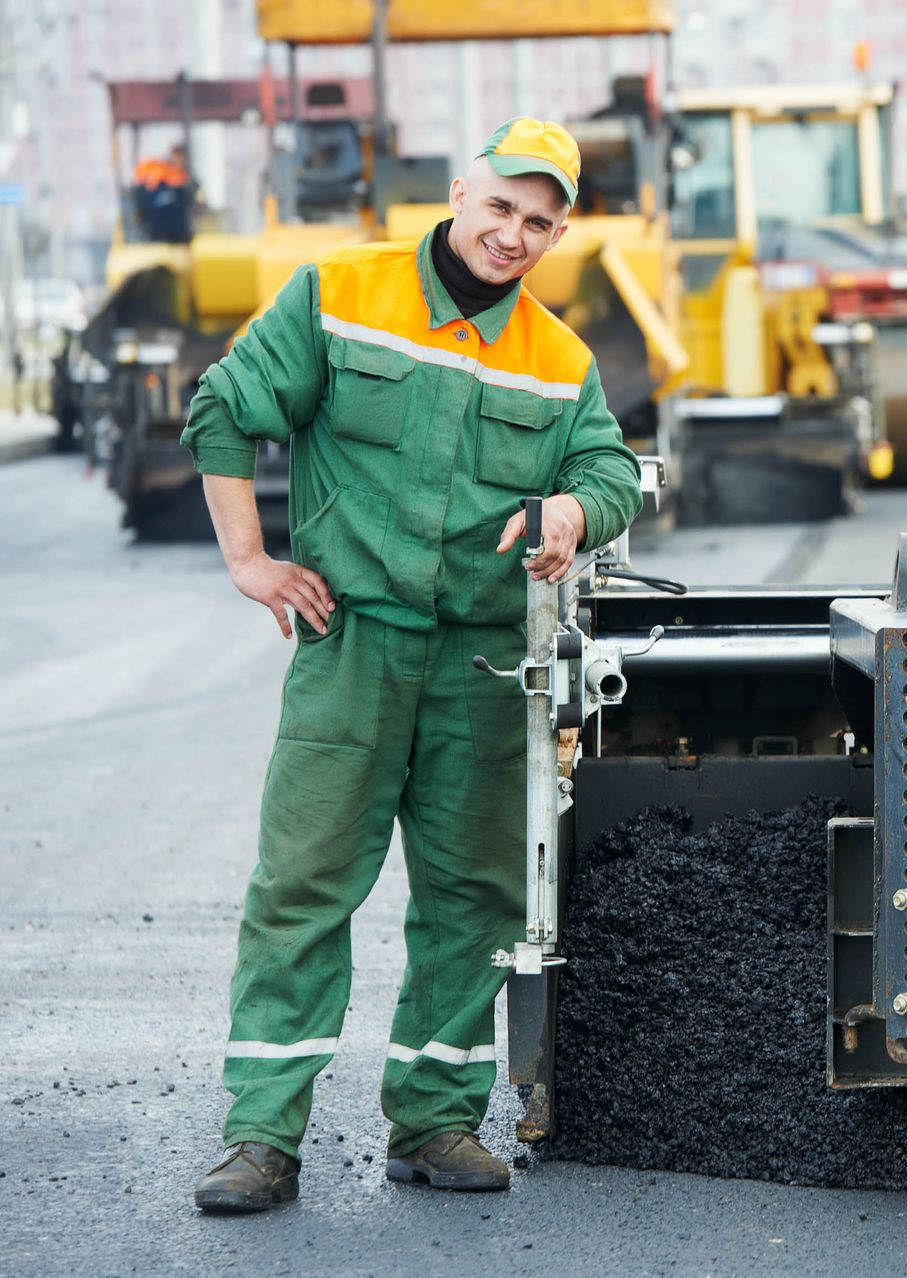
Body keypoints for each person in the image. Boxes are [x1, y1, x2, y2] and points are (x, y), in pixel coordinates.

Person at [181, 118, 644, 1212]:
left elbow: (610, 468)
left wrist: (577, 505)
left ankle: (435, 1121)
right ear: (458, 193)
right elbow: (223, 407)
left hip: (484, 667)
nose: (513, 236)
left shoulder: (559, 359)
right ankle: (262, 1138)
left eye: (539, 223)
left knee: (474, 901)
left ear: (559, 232)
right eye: (499, 210)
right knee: (302, 885)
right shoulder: (341, 295)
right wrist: (250, 560)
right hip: (354, 647)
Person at [132, 143, 193, 242]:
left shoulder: (182, 177)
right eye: (178, 157)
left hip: (175, 232)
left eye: (182, 157)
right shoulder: (162, 175)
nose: (181, 160)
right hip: (161, 232)